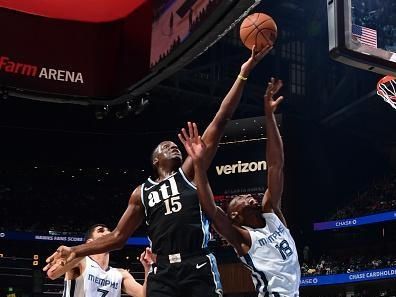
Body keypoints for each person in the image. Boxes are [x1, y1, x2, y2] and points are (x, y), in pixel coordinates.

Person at [43, 44, 273, 297]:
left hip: (196, 263)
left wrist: (243, 74)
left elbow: (220, 120)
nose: (173, 147)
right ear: (155, 160)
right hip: (162, 271)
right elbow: (119, 236)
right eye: (166, 147)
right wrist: (76, 251)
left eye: (175, 146)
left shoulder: (187, 173)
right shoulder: (141, 192)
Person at [178, 78, 300, 297]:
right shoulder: (242, 238)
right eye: (241, 198)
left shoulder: (273, 214)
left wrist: (269, 116)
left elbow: (275, 165)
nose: (247, 195)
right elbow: (212, 210)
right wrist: (198, 165)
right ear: (235, 214)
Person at [46, 224, 152, 297]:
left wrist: (148, 268)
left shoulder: (121, 274)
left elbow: (144, 295)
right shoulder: (81, 262)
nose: (108, 233)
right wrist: (78, 252)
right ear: (89, 242)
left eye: (109, 232)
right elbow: (52, 274)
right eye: (101, 231)